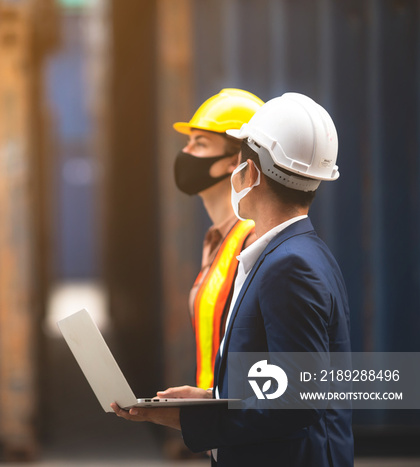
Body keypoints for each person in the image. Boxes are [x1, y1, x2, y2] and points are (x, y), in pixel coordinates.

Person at [112, 92, 354, 467]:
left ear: (250, 173)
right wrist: (214, 397)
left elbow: (297, 402)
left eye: (242, 160)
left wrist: (184, 417)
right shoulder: (300, 253)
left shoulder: (290, 267)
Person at [172, 88, 262, 390]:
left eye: (200, 144)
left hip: (237, 425)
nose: (185, 154)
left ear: (233, 160)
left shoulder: (253, 243)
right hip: (219, 425)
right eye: (188, 142)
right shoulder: (218, 240)